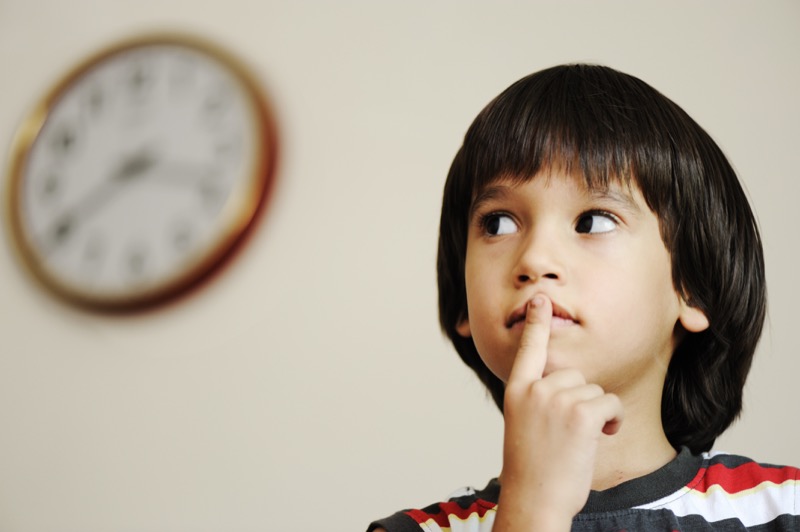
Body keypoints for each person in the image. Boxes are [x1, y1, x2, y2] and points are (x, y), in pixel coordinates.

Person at [367, 64, 799, 531]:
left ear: (691, 286)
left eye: (592, 221)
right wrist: (532, 514)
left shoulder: (784, 510)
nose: (534, 259)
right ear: (461, 302)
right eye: (498, 224)